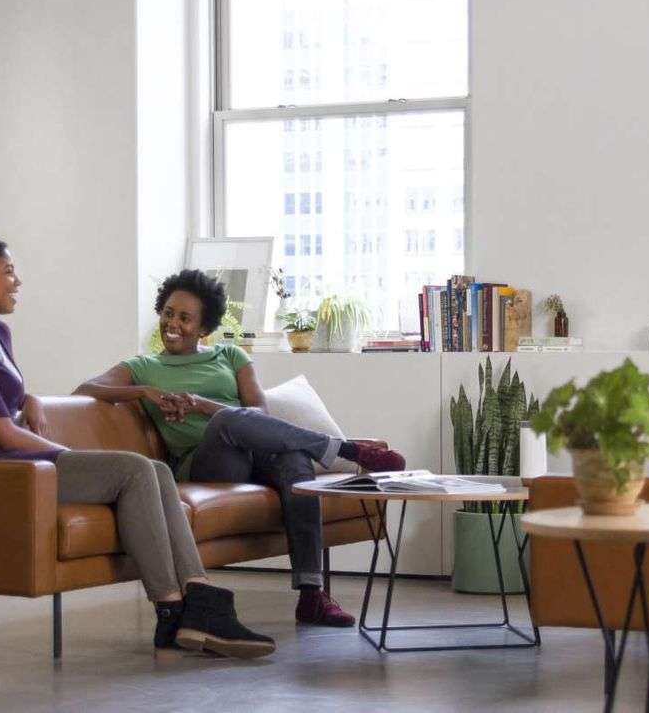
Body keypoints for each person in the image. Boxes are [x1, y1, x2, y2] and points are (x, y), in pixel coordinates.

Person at [0, 235, 274, 658]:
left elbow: (4, 397)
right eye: (8, 271)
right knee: (134, 469)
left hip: (17, 460)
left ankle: (192, 601)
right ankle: (173, 608)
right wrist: (63, 453)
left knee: (158, 470)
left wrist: (29, 398)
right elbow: (0, 431)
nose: (17, 280)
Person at [75, 269, 406, 628]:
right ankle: (343, 449)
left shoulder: (230, 356)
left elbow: (258, 414)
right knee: (226, 422)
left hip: (253, 452)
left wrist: (200, 403)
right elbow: (85, 390)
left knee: (293, 460)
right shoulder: (143, 367)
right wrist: (143, 392)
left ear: (204, 328)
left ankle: (312, 596)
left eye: (185, 318)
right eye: (168, 313)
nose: (173, 323)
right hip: (207, 464)